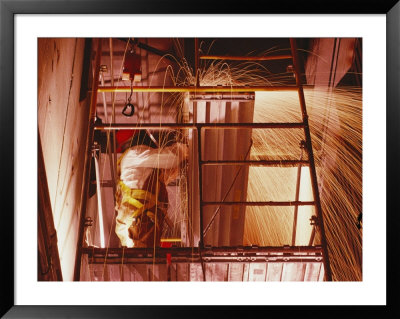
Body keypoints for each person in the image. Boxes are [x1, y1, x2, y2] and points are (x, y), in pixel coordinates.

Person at [114, 133, 188, 248]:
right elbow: (173, 158)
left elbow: (169, 169)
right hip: (136, 223)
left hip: (134, 224)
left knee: (144, 257)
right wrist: (185, 148)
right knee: (145, 257)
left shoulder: (139, 167)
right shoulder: (135, 153)